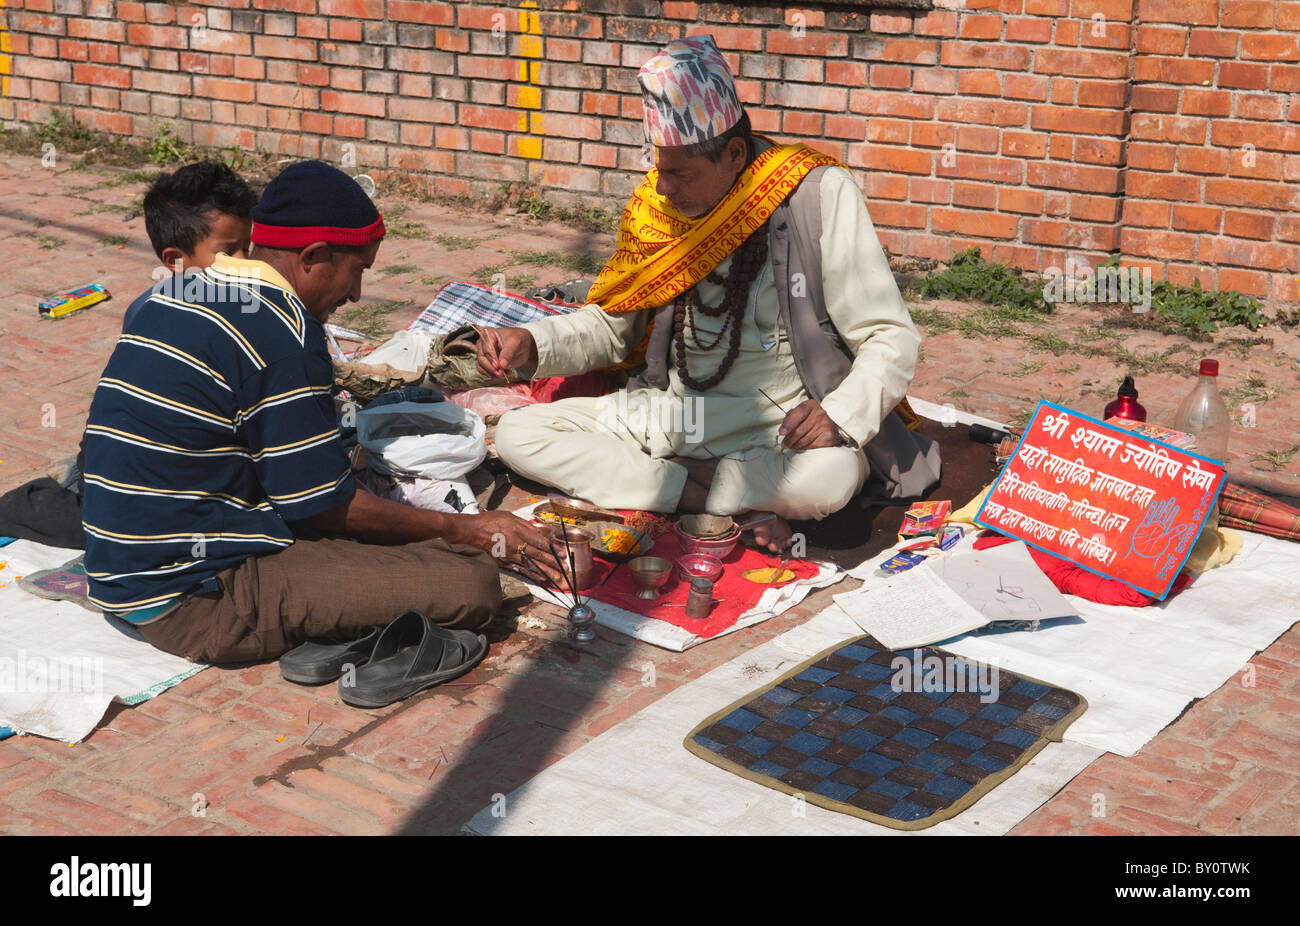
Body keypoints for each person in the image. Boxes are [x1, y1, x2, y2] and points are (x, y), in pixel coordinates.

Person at [81, 160, 560, 665]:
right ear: (314, 256)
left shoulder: (171, 292)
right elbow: (321, 507)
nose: (355, 294)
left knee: (399, 538)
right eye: (358, 271)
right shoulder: (283, 329)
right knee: (470, 583)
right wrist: (468, 529)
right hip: (197, 601)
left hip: (119, 568)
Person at [484, 36, 940, 552]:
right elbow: (615, 328)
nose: (663, 188)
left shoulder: (816, 193)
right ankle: (704, 496)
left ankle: (668, 485)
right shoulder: (658, 211)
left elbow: (889, 335)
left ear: (734, 154)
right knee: (517, 434)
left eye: (679, 173)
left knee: (833, 475)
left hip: (774, 432)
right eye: (660, 167)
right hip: (668, 417)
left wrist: (838, 416)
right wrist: (534, 342)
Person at [123, 160, 258, 330]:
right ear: (175, 260)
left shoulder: (250, 304)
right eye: (227, 253)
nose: (243, 262)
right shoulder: (147, 320)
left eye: (246, 248)